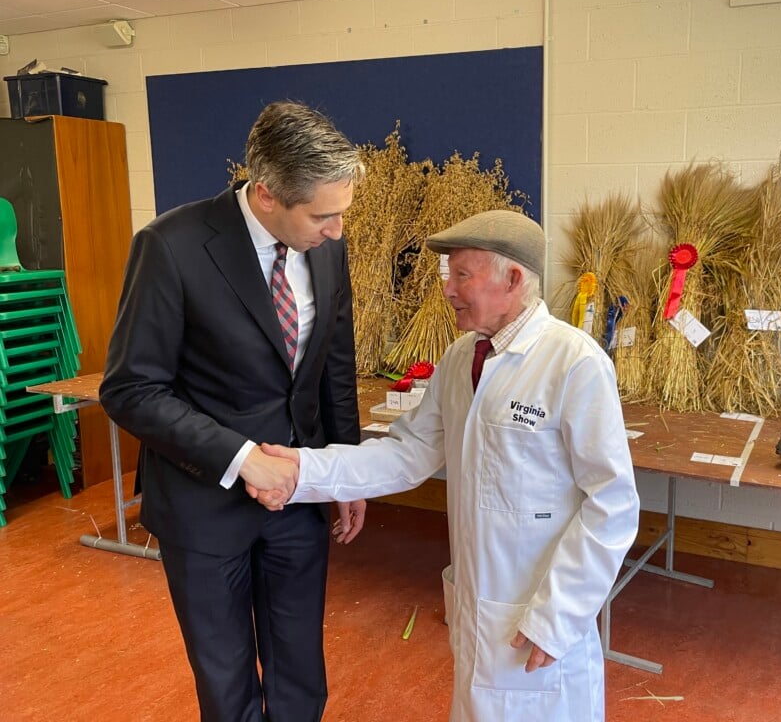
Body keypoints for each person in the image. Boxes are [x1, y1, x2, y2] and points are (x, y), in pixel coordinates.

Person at [254, 210, 640, 722]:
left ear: (514, 279)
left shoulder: (574, 364)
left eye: (463, 275)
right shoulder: (463, 358)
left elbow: (613, 503)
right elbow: (408, 452)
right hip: (481, 606)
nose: (448, 289)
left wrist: (559, 615)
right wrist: (304, 471)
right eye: (447, 275)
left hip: (538, 615)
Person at [100, 101, 367, 722]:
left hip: (299, 498)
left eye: (341, 215)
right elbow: (131, 389)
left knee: (301, 666)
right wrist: (243, 459)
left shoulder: (325, 247)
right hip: (203, 504)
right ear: (268, 194)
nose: (336, 231)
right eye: (323, 216)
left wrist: (346, 469)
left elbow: (333, 364)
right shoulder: (172, 246)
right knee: (226, 681)